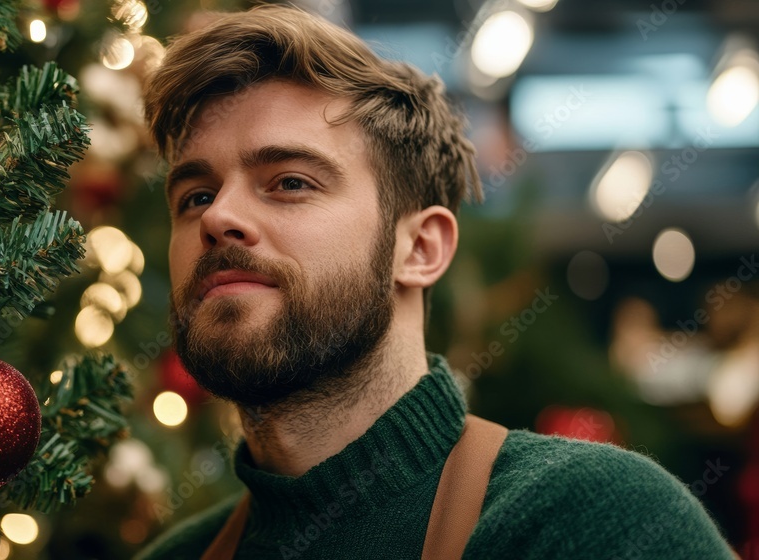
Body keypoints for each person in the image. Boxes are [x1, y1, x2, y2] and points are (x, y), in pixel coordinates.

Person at [134, 5, 738, 559]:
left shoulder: (596, 523)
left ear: (420, 249)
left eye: (290, 181)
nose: (218, 217)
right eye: (196, 195)